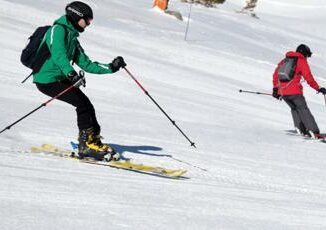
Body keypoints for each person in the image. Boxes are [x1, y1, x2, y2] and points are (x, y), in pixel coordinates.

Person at [33, 1, 126, 160]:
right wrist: (71, 74)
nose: (89, 23)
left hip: (61, 78)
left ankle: (93, 140)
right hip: (46, 79)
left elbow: (86, 64)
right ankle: (86, 146)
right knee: (81, 105)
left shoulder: (73, 38)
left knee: (87, 105)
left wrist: (112, 67)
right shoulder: (57, 30)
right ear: (77, 16)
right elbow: (59, 56)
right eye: (87, 19)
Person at [272, 44, 326, 138]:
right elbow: (309, 78)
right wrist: (318, 88)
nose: (307, 57)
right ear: (304, 53)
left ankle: (300, 128)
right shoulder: (301, 61)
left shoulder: (284, 60)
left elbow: (275, 75)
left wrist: (275, 89)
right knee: (303, 109)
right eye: (307, 55)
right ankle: (314, 131)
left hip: (283, 92)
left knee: (294, 108)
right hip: (295, 92)